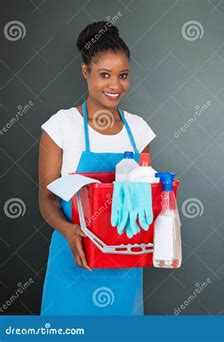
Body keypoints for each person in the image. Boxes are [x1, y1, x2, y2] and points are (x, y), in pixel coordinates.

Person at [38, 21, 156, 315]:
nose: (115, 85)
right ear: (85, 72)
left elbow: (143, 196)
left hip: (124, 263)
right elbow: (46, 199)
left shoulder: (139, 131)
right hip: (72, 257)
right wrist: (69, 231)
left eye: (123, 76)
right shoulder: (61, 126)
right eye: (105, 75)